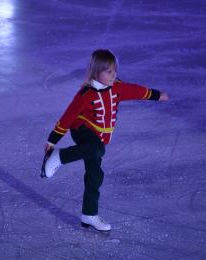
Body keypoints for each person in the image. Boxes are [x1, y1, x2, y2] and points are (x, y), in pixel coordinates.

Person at [41, 49, 169, 232]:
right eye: (108, 71)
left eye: (114, 70)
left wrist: (157, 95)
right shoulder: (85, 95)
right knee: (96, 148)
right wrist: (52, 140)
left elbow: (136, 90)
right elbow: (68, 117)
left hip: (100, 137)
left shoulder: (117, 87)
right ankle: (59, 156)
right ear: (96, 72)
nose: (113, 75)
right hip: (82, 130)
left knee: (95, 174)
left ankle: (89, 215)